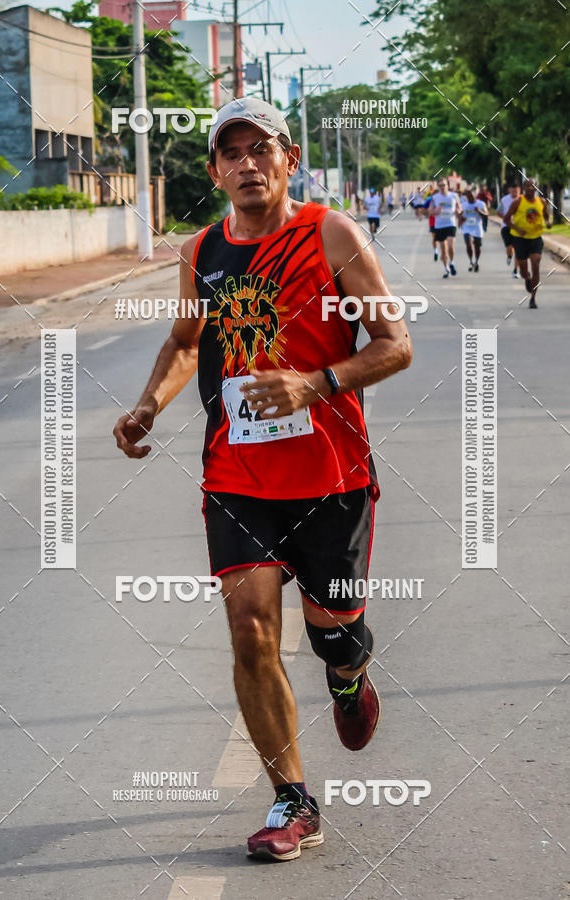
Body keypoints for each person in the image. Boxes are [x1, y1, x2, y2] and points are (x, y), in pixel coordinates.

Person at [112, 97, 412, 861]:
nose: (249, 163)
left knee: (334, 637)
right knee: (249, 631)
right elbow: (186, 342)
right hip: (237, 476)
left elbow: (395, 344)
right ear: (214, 170)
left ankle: (348, 675)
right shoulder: (201, 252)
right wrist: (148, 405)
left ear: (289, 160)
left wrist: (315, 383)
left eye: (263, 149)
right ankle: (293, 801)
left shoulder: (332, 234)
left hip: (330, 475)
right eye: (232, 153)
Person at [504, 177, 552, 308]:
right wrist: (517, 229)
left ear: (537, 187)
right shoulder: (518, 201)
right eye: (528, 186)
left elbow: (546, 216)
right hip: (520, 239)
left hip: (536, 238)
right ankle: (526, 278)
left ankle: (533, 298)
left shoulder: (542, 202)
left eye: (533, 186)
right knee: (524, 270)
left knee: (535, 263)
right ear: (524, 187)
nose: (531, 188)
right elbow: (506, 219)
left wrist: (547, 223)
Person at [429, 177, 462, 277]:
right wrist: (436, 212)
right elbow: (430, 211)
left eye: (444, 185)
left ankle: (451, 263)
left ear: (448, 186)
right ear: (438, 187)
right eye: (440, 185)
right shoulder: (435, 198)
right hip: (439, 226)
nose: (442, 187)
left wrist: (458, 211)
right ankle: (446, 268)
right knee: (443, 250)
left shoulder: (454, 196)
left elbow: (459, 206)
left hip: (451, 224)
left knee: (451, 246)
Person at [460, 187, 487, 272]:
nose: (470, 197)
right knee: (468, 243)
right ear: (466, 197)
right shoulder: (463, 204)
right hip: (467, 227)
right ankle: (471, 261)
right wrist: (460, 220)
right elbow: (460, 215)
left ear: (475, 195)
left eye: (472, 195)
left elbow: (486, 214)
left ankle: (477, 262)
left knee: (477, 246)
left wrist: (479, 211)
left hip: (477, 227)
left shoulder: (481, 204)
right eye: (468, 196)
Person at [497, 184, 521, 277]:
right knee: (509, 248)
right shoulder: (504, 200)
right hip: (506, 227)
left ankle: (516, 270)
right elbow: (498, 212)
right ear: (509, 190)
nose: (514, 192)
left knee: (518, 249)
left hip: (518, 227)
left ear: (519, 190)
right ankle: (509, 256)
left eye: (517, 191)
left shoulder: (522, 200)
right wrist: (506, 218)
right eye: (513, 190)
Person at [423, 187, 438, 260]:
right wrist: (428, 213)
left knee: (440, 239)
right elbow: (424, 209)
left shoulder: (443, 200)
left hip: (442, 223)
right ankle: (436, 251)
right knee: (435, 238)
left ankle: (439, 251)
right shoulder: (429, 200)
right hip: (433, 222)